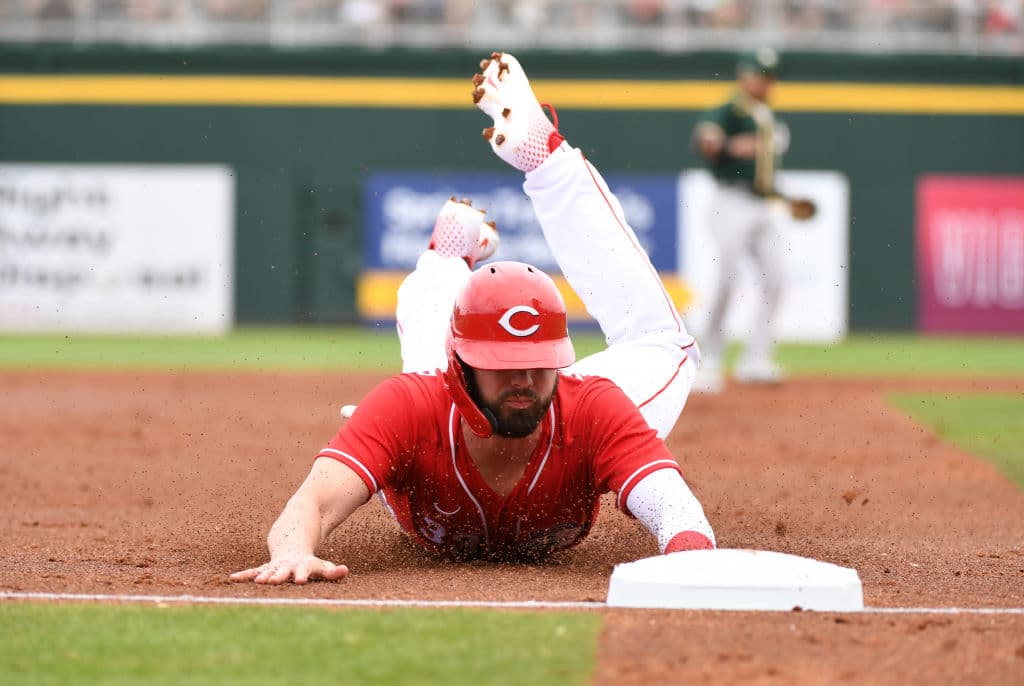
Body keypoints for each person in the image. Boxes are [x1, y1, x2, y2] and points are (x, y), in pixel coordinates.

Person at [231, 52, 715, 584]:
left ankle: (545, 158)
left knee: (664, 341)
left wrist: (689, 558)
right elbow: (313, 504)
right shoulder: (412, 406)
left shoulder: (593, 408)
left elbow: (678, 512)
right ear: (460, 366)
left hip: (551, 404)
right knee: (420, 366)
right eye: (503, 364)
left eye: (538, 363)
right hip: (434, 402)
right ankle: (445, 258)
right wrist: (293, 553)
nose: (524, 380)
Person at [690, 46, 790, 393]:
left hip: (761, 204)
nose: (763, 81)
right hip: (729, 200)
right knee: (726, 280)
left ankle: (755, 359)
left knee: (777, 279)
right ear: (744, 75)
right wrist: (731, 146)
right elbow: (705, 139)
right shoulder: (730, 107)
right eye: (758, 74)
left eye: (768, 76)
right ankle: (709, 360)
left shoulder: (765, 114)